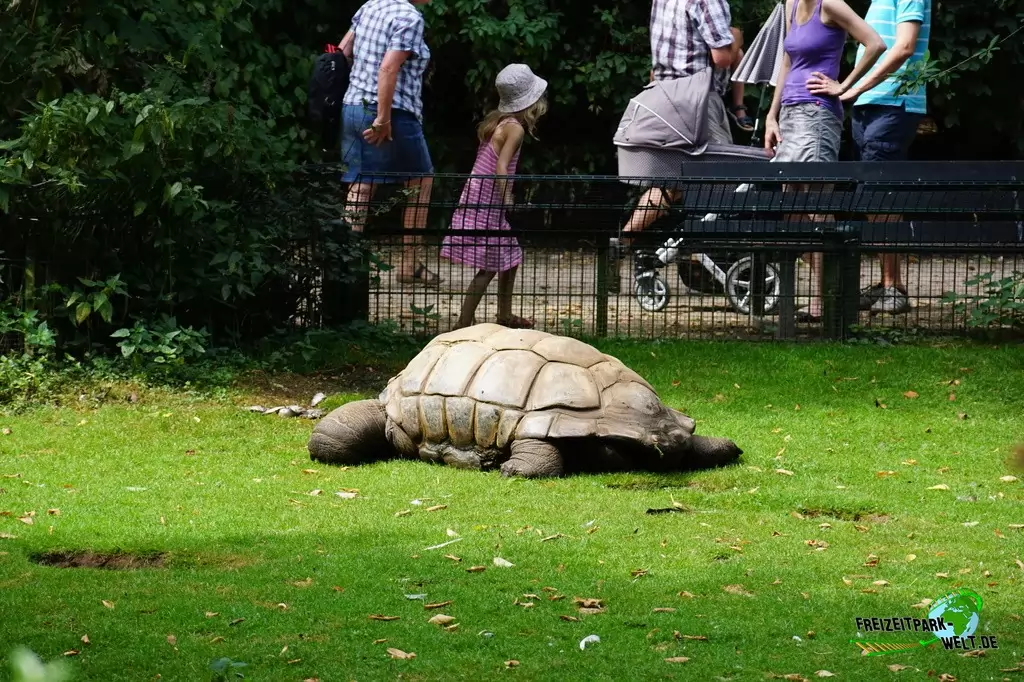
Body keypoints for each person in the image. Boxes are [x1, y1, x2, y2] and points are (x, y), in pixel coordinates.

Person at [764, 0, 885, 320]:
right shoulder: (790, 5)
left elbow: (875, 43)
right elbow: (788, 60)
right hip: (789, 115)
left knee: (818, 207)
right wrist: (771, 116)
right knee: (791, 209)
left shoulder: (830, 4)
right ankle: (817, 294)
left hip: (817, 117)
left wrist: (845, 87)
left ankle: (826, 300)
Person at [337, 0, 441, 287]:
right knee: (420, 181)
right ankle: (409, 264)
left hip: (353, 105)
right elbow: (388, 67)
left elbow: (343, 52)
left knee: (362, 182)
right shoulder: (409, 17)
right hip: (391, 112)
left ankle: (347, 264)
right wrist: (383, 118)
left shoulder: (371, 5)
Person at [838, 0, 932, 314]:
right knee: (872, 199)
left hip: (892, 106)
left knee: (880, 197)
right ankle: (887, 284)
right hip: (870, 107)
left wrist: (855, 87)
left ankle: (894, 287)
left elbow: (904, 46)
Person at [620, 0, 740, 241]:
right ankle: (698, 251)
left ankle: (626, 237)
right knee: (723, 181)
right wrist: (737, 39)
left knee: (671, 181)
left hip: (662, 96)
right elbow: (723, 58)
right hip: (697, 100)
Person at [440, 64, 549, 329]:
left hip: (478, 198)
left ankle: (504, 315)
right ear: (531, 100)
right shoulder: (516, 129)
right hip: (488, 202)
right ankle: (463, 323)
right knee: (489, 266)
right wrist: (507, 196)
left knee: (511, 256)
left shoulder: (499, 121)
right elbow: (501, 166)